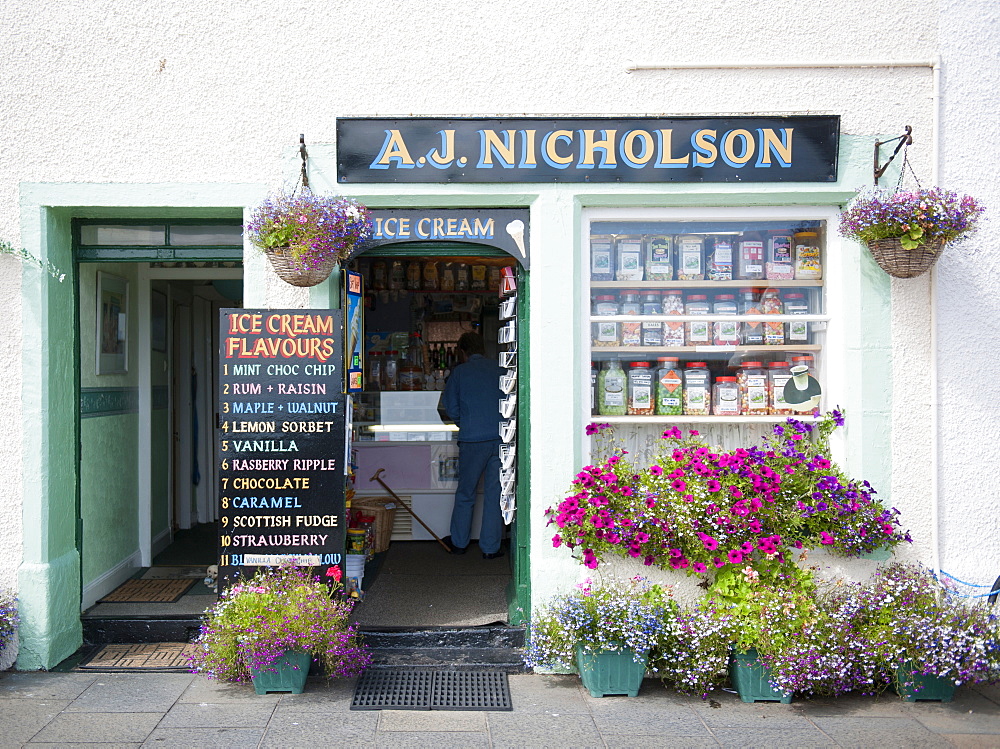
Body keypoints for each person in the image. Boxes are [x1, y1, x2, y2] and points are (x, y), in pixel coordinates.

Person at [440, 331, 505, 559]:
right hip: (499, 439)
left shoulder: (460, 372)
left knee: (466, 493)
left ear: (463, 351)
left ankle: (459, 542)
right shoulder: (500, 370)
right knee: (494, 494)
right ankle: (491, 548)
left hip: (472, 440)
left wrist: (464, 423)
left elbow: (450, 407)